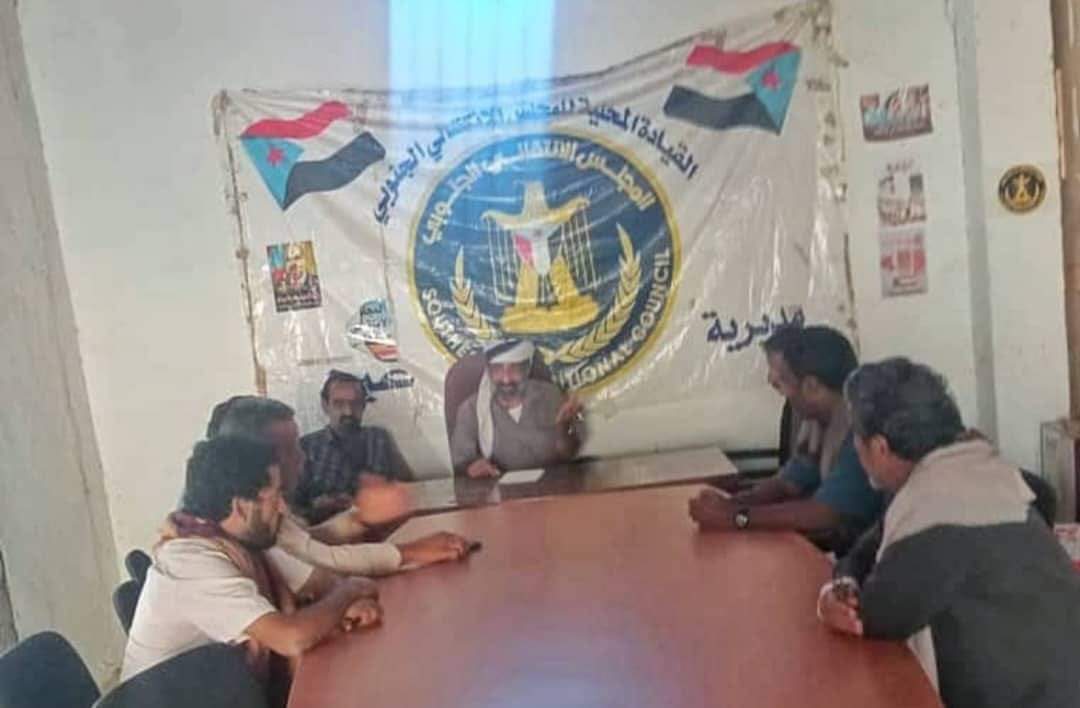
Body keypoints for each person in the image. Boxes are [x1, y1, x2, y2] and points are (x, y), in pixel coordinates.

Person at [817, 358, 1080, 708]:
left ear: (879, 447)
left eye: (856, 438)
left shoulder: (936, 515)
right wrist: (846, 579)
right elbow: (869, 546)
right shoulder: (959, 476)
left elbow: (875, 617)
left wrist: (829, 603)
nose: (855, 448)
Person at [121, 436, 382, 692]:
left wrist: (333, 612)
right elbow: (290, 637)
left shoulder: (237, 542)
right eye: (275, 496)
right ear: (241, 508)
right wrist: (349, 591)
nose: (283, 508)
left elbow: (299, 608)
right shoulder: (190, 562)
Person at [207, 395, 471, 577]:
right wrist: (410, 552)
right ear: (255, 459)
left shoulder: (271, 501)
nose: (302, 456)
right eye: (288, 450)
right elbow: (323, 564)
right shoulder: (246, 513)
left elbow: (307, 542)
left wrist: (360, 518)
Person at [688, 326, 883, 553]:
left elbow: (824, 513)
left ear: (812, 386)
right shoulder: (817, 421)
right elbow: (789, 482)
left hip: (863, 560)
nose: (773, 384)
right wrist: (731, 504)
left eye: (783, 381)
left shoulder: (862, 431)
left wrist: (737, 517)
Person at [292, 370, 414, 523]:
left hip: (381, 527)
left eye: (355, 404)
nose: (348, 412)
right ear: (325, 405)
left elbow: (410, 488)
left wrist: (380, 492)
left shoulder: (379, 438)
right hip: (326, 532)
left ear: (364, 405)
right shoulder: (307, 447)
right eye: (339, 404)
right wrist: (318, 508)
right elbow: (292, 510)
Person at [449, 339, 582, 478]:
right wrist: (471, 468)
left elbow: (569, 454)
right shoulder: (471, 409)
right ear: (488, 370)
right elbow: (460, 465)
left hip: (554, 486)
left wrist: (563, 427)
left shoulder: (550, 395)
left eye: (514, 368)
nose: (506, 378)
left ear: (527, 368)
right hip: (497, 490)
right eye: (498, 368)